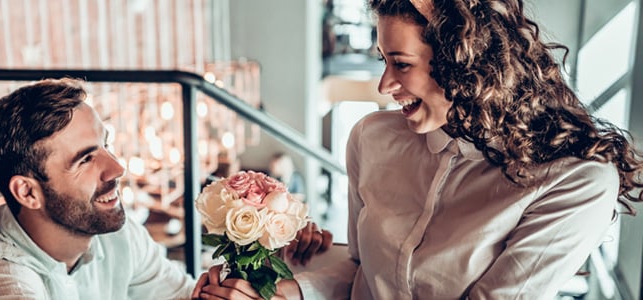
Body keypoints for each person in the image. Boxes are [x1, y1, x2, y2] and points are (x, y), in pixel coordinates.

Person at [194, 0, 643, 299]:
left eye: (401, 64)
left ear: (467, 61)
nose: (385, 85)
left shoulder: (575, 183)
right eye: (383, 60)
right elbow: (362, 275)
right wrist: (290, 289)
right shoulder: (372, 138)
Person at [0, 78, 330, 299]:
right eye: (86, 159)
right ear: (27, 192)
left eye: (106, 144)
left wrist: (255, 271)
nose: (118, 168)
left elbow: (176, 294)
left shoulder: (114, 233)